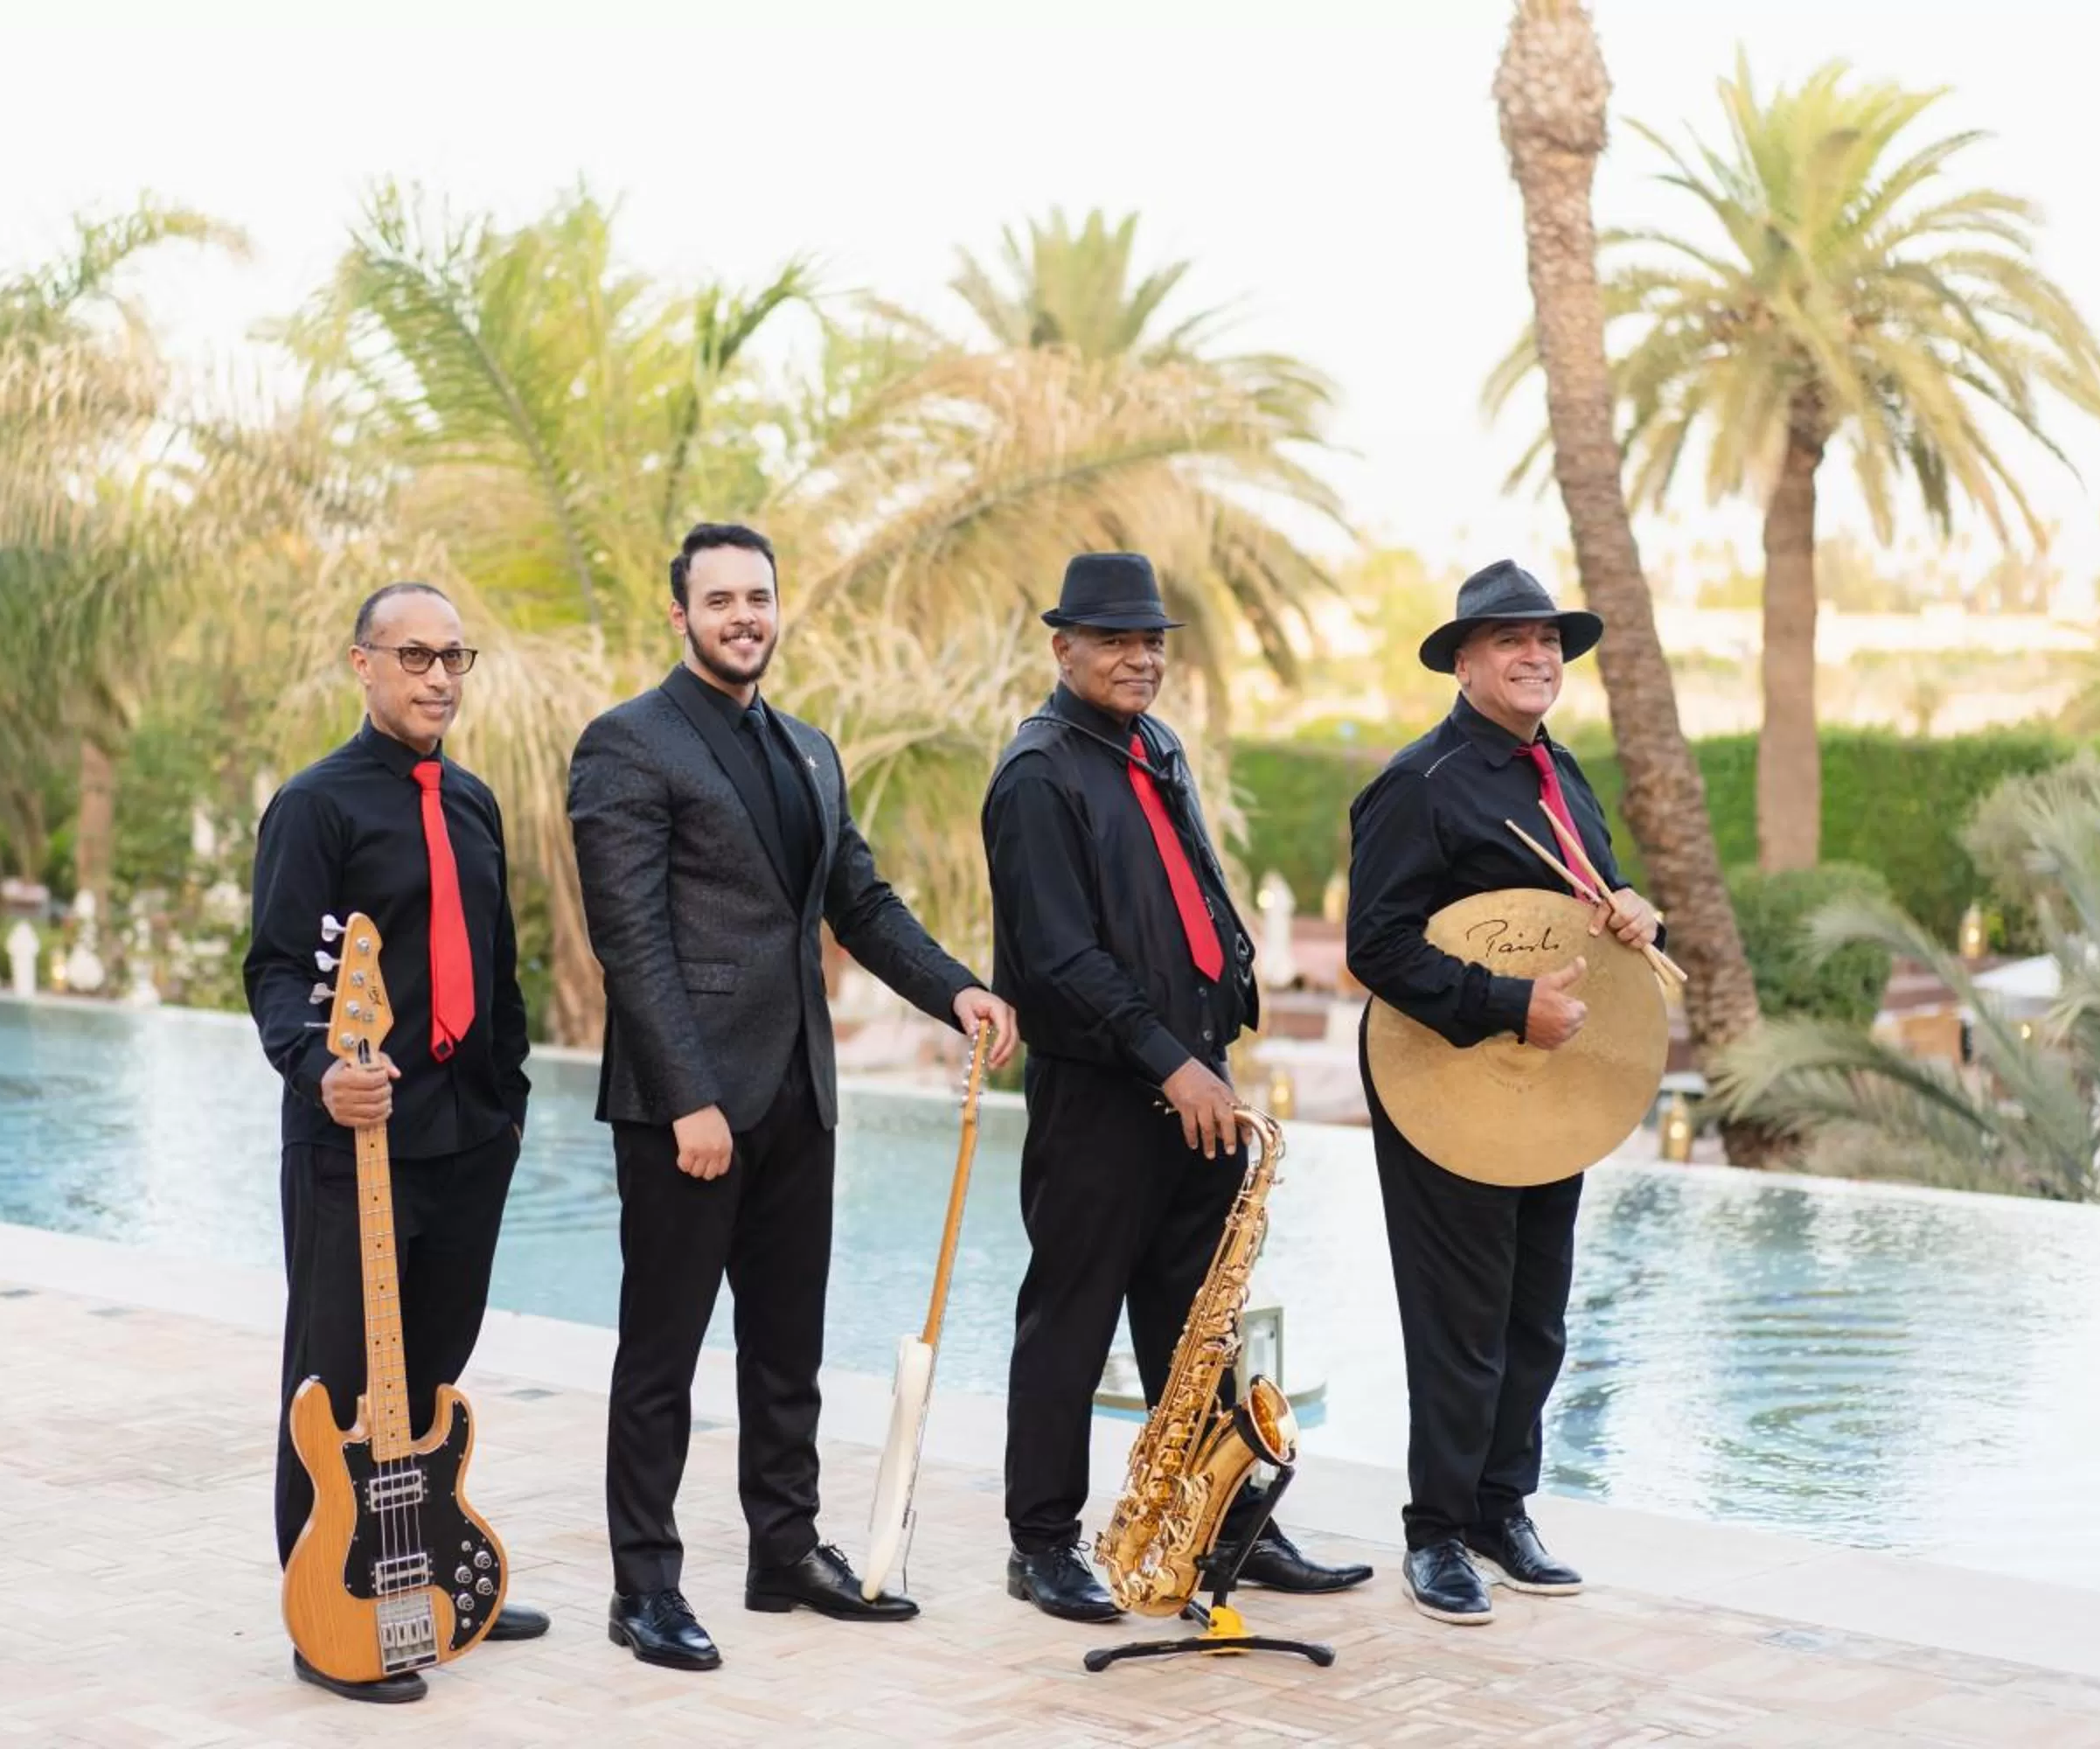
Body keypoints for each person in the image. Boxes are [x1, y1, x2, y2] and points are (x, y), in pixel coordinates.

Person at [567, 521, 1020, 1672]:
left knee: (787, 1351)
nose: (744, 616)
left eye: (758, 597)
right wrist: (690, 1100)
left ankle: (784, 1551)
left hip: (798, 1095)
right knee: (661, 1358)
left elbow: (858, 902)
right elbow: (631, 941)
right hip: (686, 1110)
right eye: (719, 599)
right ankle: (644, 1587)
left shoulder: (811, 751)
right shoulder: (627, 743)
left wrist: (957, 990)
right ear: (680, 614)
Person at [982, 552, 1373, 1623]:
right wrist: (1169, 1058)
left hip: (1196, 1082)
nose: (1139, 657)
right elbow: (1059, 956)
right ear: (1063, 648)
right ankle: (1041, 1543)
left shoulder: (1156, 745)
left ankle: (1228, 1529)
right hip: (1104, 1095)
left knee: (1201, 1323)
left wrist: (1228, 1007)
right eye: (1114, 639)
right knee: (1069, 1321)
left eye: (1151, 640)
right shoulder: (1036, 773)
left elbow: (1191, 884)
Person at [1344, 559, 1663, 1627]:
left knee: (1535, 1314)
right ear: (1466, 662)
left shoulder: (1559, 769)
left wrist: (1632, 905)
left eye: (1550, 641)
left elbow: (1589, 894)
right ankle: (1435, 1531)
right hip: (1447, 1074)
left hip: (1549, 1080)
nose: (1538, 656)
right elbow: (1377, 944)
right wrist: (1506, 1001)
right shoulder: (1420, 782)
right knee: (1460, 1317)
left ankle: (1499, 1509)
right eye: (1513, 640)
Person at [243, 582, 546, 1704]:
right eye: (415, 655)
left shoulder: (473, 802)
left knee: (431, 1368)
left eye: (454, 656)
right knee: (333, 1381)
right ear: (362, 664)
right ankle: (326, 1610)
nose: (438, 676)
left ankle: (429, 1565)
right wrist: (320, 1071)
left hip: (469, 1136)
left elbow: (497, 964)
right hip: (352, 1141)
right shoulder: (314, 805)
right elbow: (276, 968)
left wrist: (509, 1101)